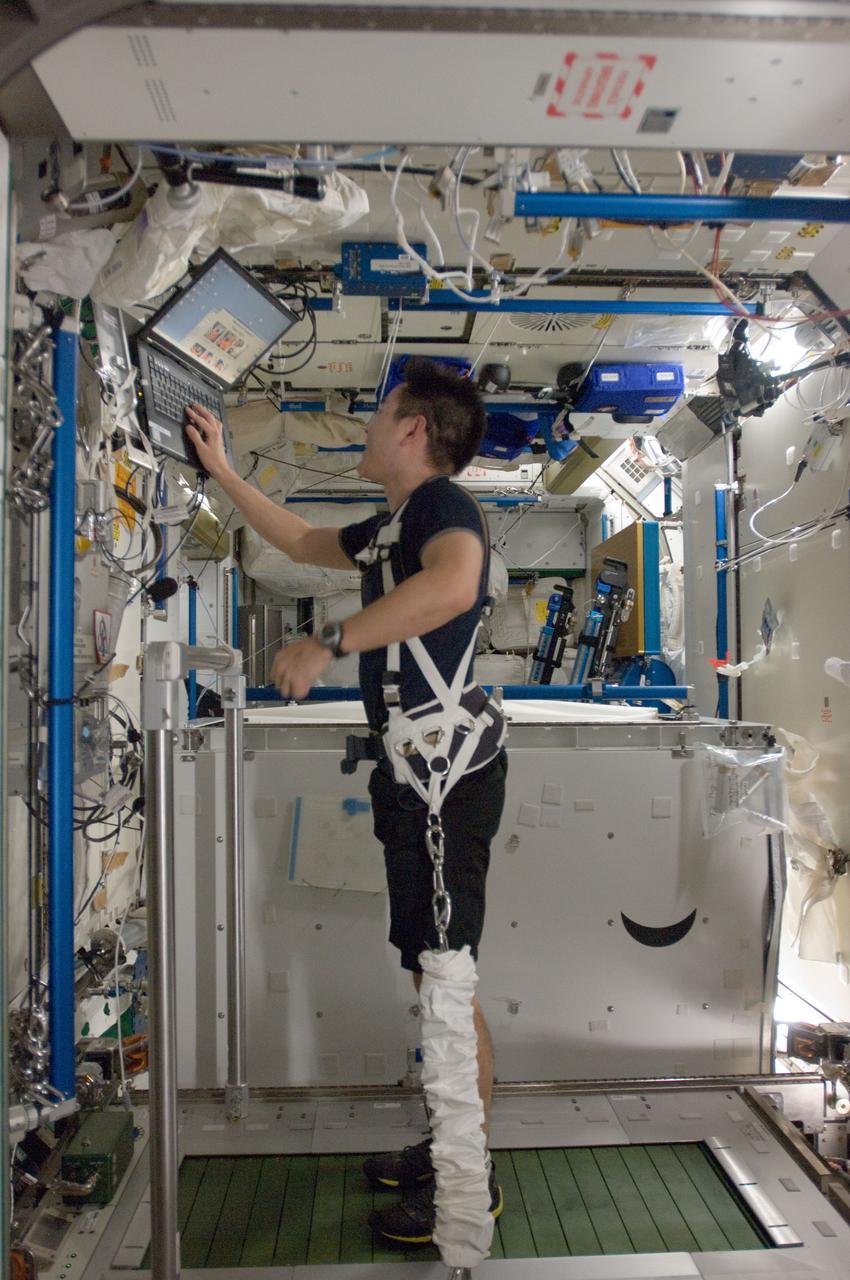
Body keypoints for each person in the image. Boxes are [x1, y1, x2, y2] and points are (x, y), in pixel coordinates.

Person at [185, 358, 507, 1245]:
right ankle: (450, 1145)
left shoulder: (444, 510)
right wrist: (223, 471)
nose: (367, 424)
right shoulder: (394, 524)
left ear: (413, 430)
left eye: (379, 412)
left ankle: (464, 1193)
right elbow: (297, 542)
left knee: (445, 980)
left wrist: (331, 641)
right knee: (432, 970)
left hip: (446, 778)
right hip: (415, 778)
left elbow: (453, 586)